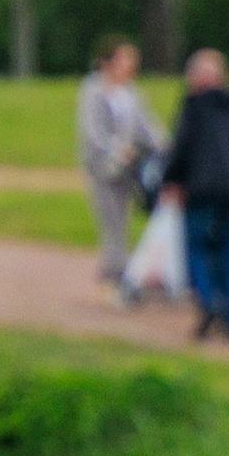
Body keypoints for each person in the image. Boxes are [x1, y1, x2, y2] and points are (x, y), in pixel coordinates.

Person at [158, 49, 229, 344]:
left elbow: (181, 149)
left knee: (196, 248)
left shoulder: (193, 105)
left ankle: (208, 303)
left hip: (201, 191)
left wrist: (169, 180)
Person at [75, 39, 163, 300]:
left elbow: (146, 126)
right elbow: (92, 131)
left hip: (128, 168)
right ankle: (112, 274)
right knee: (110, 220)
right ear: (109, 62)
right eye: (126, 60)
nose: (131, 66)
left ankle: (119, 272)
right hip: (103, 168)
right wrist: (116, 149)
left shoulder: (131, 93)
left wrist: (168, 147)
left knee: (121, 219)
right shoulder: (92, 91)